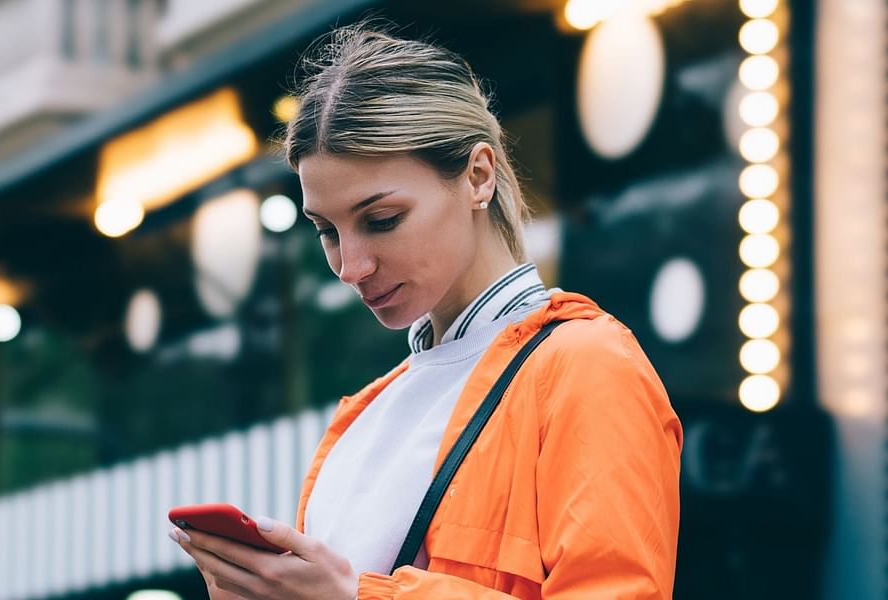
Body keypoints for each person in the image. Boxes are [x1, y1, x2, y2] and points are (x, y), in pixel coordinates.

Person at [171, 22, 682, 600]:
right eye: (326, 231)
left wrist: (353, 596)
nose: (350, 266)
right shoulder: (362, 418)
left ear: (478, 176)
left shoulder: (586, 366)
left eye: (382, 219)